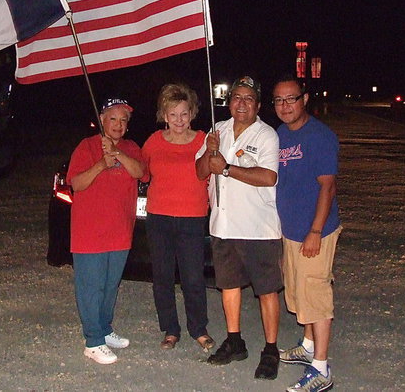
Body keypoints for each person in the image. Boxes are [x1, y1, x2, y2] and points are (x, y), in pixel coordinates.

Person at [195, 75, 282, 380]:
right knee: (228, 286)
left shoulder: (267, 136)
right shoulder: (216, 130)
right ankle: (235, 341)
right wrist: (210, 151)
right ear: (228, 101)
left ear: (257, 105)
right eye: (236, 97)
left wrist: (229, 169)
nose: (241, 104)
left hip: (258, 227)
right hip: (224, 224)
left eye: (248, 99)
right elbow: (199, 171)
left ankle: (271, 349)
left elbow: (269, 177)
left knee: (267, 290)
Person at [272, 76, 342, 392]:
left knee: (315, 294)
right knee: (298, 293)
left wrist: (315, 230)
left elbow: (328, 185)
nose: (285, 106)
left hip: (316, 231)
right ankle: (309, 345)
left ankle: (321, 368)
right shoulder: (280, 135)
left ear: (304, 99)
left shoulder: (320, 136)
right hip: (291, 231)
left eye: (291, 99)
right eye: (278, 100)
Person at [67, 97, 146, 365]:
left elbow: (139, 172)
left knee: (111, 286)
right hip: (90, 233)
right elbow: (76, 184)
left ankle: (104, 328)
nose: (119, 124)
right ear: (102, 120)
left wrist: (118, 154)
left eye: (124, 120)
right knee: (91, 287)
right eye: (113, 118)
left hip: (120, 231)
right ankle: (92, 341)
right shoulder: (86, 146)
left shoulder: (132, 147)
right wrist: (102, 163)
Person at [141, 83, 214, 352]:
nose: (179, 120)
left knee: (193, 277)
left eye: (184, 114)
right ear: (164, 115)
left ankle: (198, 329)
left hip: (191, 218)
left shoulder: (203, 140)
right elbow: (142, 173)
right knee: (162, 277)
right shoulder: (153, 141)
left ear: (192, 113)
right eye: (173, 114)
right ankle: (170, 329)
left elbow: (211, 172)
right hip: (159, 217)